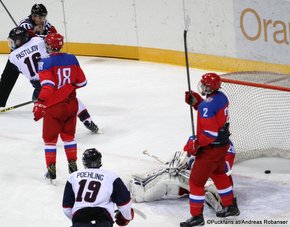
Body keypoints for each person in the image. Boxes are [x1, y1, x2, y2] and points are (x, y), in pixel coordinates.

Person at [1, 26, 99, 133]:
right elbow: (52, 41)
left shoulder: (13, 57)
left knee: (43, 103)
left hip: (39, 87)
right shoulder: (39, 40)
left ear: (20, 40)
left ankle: (57, 125)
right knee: (69, 97)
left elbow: (6, 80)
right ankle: (86, 119)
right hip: (54, 76)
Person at [179, 73, 240, 226]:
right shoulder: (222, 97)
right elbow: (211, 111)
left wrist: (196, 144)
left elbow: (210, 133)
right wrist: (197, 103)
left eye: (206, 85)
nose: (203, 87)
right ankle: (231, 207)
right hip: (222, 147)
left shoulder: (207, 106)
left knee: (196, 182)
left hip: (210, 150)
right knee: (219, 174)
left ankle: (197, 217)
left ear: (211, 87)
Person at [34, 32, 88, 180]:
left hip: (54, 107)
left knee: (50, 140)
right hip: (71, 105)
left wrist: (40, 102)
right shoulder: (72, 58)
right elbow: (82, 82)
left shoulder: (44, 62)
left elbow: (48, 86)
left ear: (48, 46)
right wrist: (67, 88)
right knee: (69, 137)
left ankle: (51, 170)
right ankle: (72, 165)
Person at [129, 141, 236, 212]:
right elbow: (187, 153)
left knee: (168, 180)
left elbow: (222, 169)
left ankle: (142, 195)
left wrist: (198, 164)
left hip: (212, 181)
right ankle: (144, 181)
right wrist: (184, 160)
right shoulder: (201, 139)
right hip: (196, 178)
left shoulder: (227, 148)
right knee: (169, 172)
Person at [0, 3, 57, 108]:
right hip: (19, 54)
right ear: (33, 16)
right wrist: (40, 34)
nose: (42, 19)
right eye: (40, 17)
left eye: (44, 17)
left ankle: (41, 95)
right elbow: (30, 40)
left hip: (35, 54)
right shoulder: (25, 24)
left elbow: (54, 36)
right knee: (7, 77)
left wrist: (41, 34)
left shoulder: (46, 24)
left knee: (41, 76)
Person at [63, 148, 134, 227]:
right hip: (103, 221)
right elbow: (124, 203)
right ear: (99, 160)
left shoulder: (73, 177)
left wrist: (79, 222)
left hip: (80, 219)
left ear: (84, 162)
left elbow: (66, 208)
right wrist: (127, 217)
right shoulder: (111, 176)